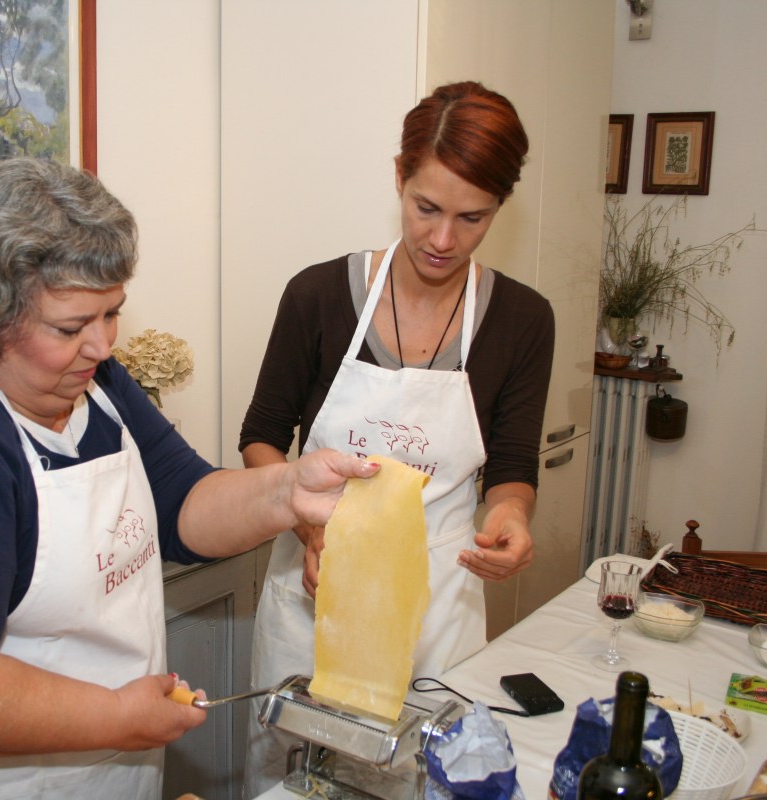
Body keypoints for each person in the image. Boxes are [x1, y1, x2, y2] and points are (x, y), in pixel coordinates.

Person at [0, 157, 380, 800]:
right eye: (72, 327)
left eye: (111, 314)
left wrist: (286, 491)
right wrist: (117, 716)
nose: (101, 346)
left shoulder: (87, 381)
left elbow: (182, 503)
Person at [239, 81, 555, 795]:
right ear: (398, 179)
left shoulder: (521, 320)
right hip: (312, 596)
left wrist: (510, 516)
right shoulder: (317, 296)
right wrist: (309, 527)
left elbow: (510, 464)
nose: (443, 240)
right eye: (427, 208)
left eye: (472, 218)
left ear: (500, 207)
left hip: (438, 601)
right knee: (300, 775)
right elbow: (261, 437)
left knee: (428, 776)